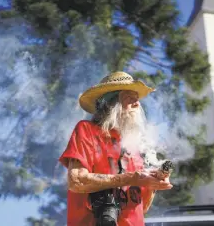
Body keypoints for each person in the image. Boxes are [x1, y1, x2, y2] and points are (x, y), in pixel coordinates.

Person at [59, 71, 173, 226]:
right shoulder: (88, 130)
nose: (137, 104)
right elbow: (77, 180)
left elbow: (141, 207)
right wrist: (131, 178)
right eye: (129, 98)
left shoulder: (135, 145)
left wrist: (154, 183)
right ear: (111, 104)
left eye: (137, 99)